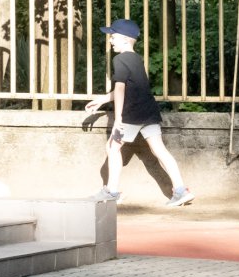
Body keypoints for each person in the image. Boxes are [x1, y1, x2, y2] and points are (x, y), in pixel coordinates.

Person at [81, 19, 194, 207]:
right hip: (148, 111)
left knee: (112, 148)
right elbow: (132, 87)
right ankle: (181, 190)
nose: (110, 40)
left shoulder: (119, 59)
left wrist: (118, 119)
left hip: (132, 114)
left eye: (113, 36)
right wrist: (101, 100)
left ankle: (112, 192)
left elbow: (120, 90)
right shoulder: (136, 58)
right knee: (159, 150)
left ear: (125, 40)